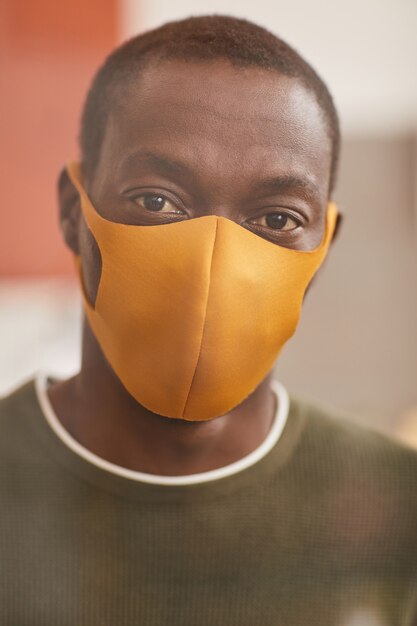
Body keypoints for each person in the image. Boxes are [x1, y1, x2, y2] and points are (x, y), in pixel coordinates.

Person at [1, 15, 416, 626]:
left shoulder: (399, 508)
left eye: (276, 219)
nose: (211, 261)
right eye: (156, 200)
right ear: (73, 213)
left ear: (322, 248)